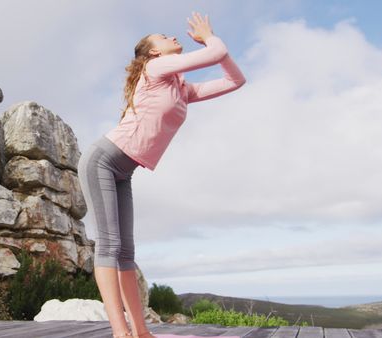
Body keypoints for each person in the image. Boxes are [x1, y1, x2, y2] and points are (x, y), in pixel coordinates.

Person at [77, 12, 246, 338]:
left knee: (127, 253)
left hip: (124, 171)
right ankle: (120, 332)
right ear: (153, 53)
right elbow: (215, 52)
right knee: (110, 245)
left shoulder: (182, 89)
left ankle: (141, 332)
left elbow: (235, 80)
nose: (173, 38)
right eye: (164, 37)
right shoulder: (155, 70)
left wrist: (217, 47)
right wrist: (209, 36)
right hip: (102, 160)